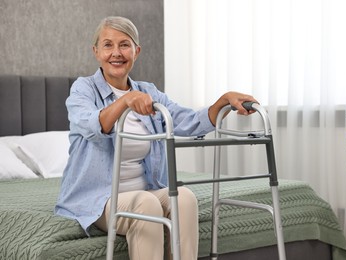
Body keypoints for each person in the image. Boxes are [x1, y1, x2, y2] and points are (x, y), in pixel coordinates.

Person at [55, 16, 258, 260]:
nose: (116, 53)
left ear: (136, 51)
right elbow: (93, 125)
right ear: (96, 51)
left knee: (184, 198)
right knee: (146, 205)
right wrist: (125, 101)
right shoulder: (83, 89)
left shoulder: (148, 91)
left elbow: (187, 121)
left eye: (124, 45)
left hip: (146, 191)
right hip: (98, 199)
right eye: (108, 45)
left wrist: (224, 100)